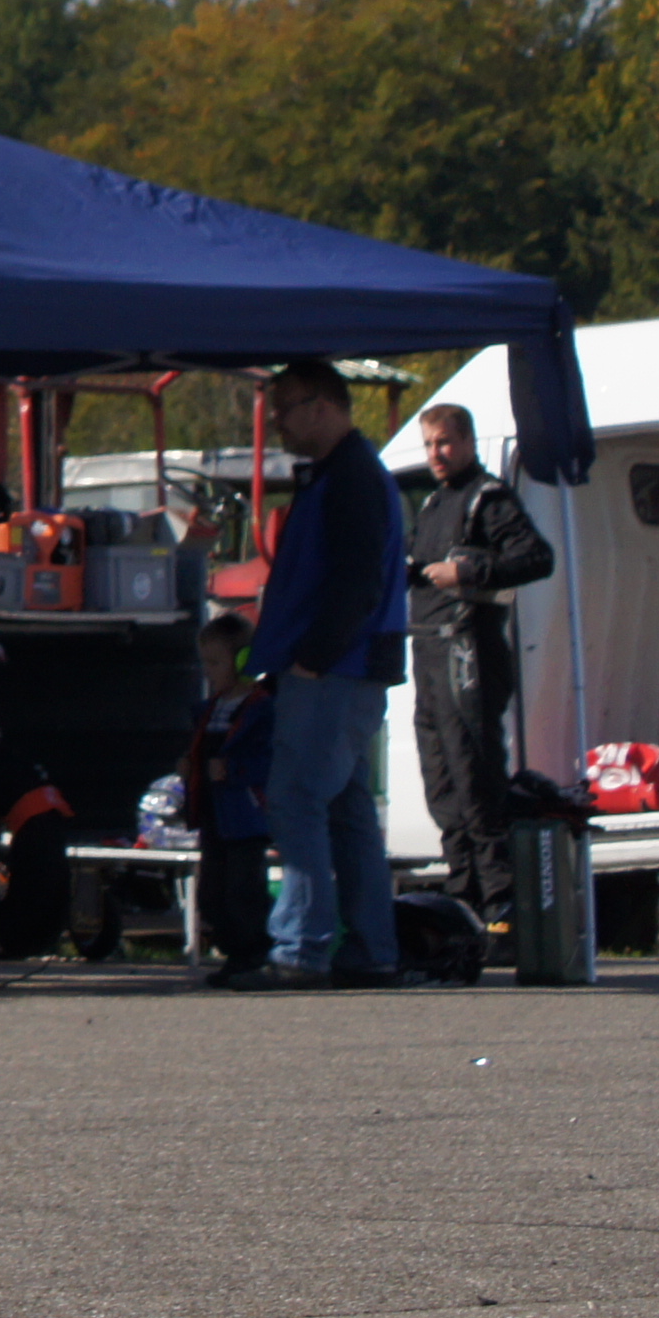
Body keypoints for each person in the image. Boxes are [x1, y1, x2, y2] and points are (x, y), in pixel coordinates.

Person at [235, 358, 411, 988]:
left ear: (323, 406)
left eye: (285, 408)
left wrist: (312, 658)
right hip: (345, 668)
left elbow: (356, 582)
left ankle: (301, 948)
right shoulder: (344, 475)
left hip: (336, 671)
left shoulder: (351, 480)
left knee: (298, 798)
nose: (277, 422)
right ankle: (370, 948)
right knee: (345, 807)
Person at [405, 399, 552, 915]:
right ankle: (462, 909)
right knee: (442, 789)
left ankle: (501, 911)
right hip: (426, 651)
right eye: (429, 444)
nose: (436, 453)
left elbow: (537, 558)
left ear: (467, 441)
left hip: (468, 651)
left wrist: (468, 572)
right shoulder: (432, 504)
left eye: (445, 442)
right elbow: (421, 565)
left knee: (475, 784)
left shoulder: (488, 498)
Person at [179, 610, 275, 981]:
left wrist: (234, 771)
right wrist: (190, 765)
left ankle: (253, 954)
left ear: (243, 661)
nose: (208, 671)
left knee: (243, 891)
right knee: (212, 893)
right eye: (205, 662)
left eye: (216, 663)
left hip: (245, 817)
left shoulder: (261, 709)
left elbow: (269, 761)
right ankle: (233, 951)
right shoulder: (210, 712)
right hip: (214, 815)